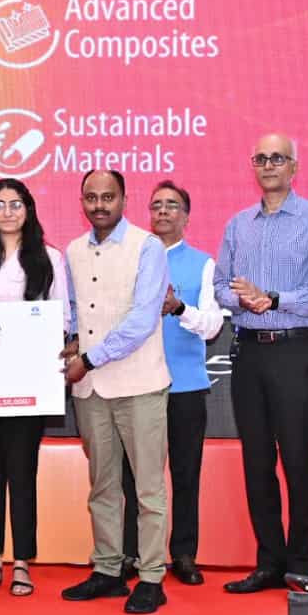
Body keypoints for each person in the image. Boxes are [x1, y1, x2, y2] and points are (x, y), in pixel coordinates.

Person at [214, 133, 308, 593]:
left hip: (293, 350)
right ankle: (268, 562)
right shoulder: (238, 225)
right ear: (254, 166)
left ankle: (301, 567)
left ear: (294, 167)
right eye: (261, 158)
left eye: (278, 158)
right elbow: (220, 287)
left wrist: (274, 298)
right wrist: (242, 298)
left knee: (298, 458)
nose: (268, 165)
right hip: (248, 350)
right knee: (257, 461)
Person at [60, 169, 172, 615]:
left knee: (148, 489)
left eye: (108, 197)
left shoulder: (148, 246)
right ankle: (108, 570)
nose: (99, 205)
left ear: (124, 199)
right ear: (82, 202)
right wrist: (70, 342)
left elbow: (143, 320)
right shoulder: (73, 250)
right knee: (102, 486)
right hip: (91, 390)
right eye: (91, 198)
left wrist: (88, 359)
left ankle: (151, 576)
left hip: (138, 383)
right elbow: (74, 311)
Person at [0, 178, 69, 597]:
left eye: (15, 204)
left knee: (22, 473)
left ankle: (22, 561)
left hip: (29, 382)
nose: (7, 212)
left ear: (28, 210)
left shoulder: (50, 258)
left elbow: (63, 318)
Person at [119, 181, 223, 586]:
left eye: (172, 205)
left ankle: (183, 554)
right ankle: (133, 553)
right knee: (135, 477)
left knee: (185, 474)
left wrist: (179, 308)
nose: (163, 211)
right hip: (137, 385)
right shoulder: (130, 259)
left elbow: (212, 326)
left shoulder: (203, 264)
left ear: (186, 216)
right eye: (156, 205)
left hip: (186, 387)